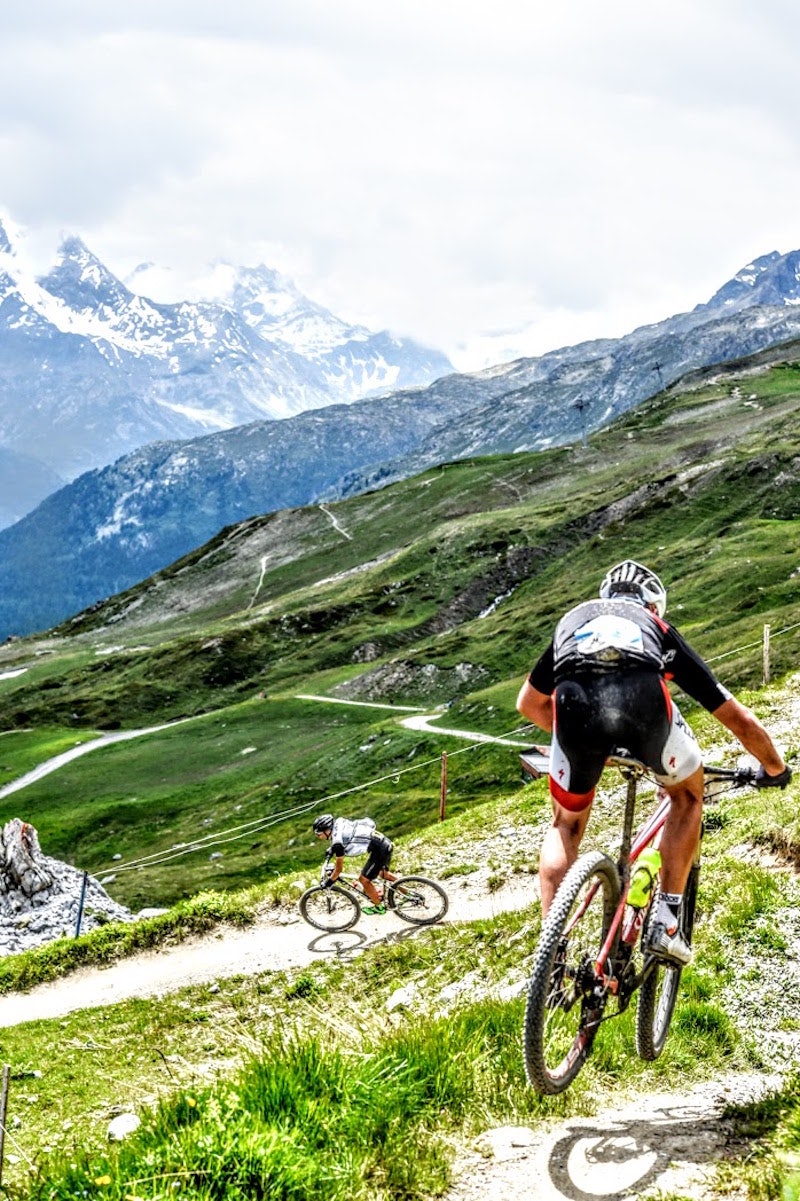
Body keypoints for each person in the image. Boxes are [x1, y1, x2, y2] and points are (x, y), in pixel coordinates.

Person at [516, 559, 791, 966]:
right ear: (654, 606)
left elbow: (529, 704)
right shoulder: (655, 627)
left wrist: (593, 746)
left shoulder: (574, 622)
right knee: (687, 799)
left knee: (566, 825)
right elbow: (734, 715)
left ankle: (551, 954)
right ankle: (666, 922)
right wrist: (775, 767)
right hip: (643, 704)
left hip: (575, 709)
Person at [311, 813, 396, 914]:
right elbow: (347, 836)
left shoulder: (338, 844)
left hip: (379, 849)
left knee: (364, 880)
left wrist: (329, 882)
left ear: (327, 830)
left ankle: (379, 908)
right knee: (384, 875)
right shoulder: (338, 823)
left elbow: (338, 870)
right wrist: (332, 849)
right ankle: (409, 894)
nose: (318, 837)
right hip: (384, 842)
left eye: (319, 834)